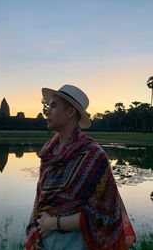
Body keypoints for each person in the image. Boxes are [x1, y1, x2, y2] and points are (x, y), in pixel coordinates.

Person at [26, 84, 136, 250]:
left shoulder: (94, 155)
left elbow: (104, 214)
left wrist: (53, 223)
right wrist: (36, 229)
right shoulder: (48, 152)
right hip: (44, 241)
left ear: (70, 112)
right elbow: (41, 199)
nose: (47, 111)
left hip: (76, 243)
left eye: (53, 105)